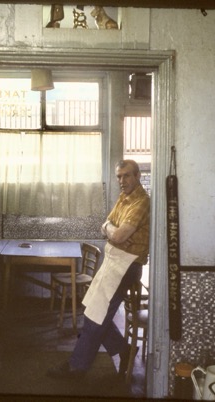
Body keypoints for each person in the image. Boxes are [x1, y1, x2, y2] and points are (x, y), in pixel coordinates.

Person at [47, 159, 150, 379]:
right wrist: (111, 230)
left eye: (127, 175)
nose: (122, 180)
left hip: (127, 265)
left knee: (96, 316)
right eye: (119, 176)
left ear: (138, 175)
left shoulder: (141, 202)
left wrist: (112, 231)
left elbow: (118, 234)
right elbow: (107, 225)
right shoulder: (123, 198)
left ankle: (77, 367)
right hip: (114, 261)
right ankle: (124, 349)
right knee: (90, 308)